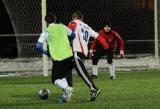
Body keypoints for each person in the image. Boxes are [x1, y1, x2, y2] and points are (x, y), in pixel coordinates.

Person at [68, 11, 109, 101]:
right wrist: (106, 47)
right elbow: (98, 37)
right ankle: (68, 89)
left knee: (82, 72)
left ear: (73, 17)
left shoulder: (73, 22)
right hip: (83, 52)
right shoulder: (87, 26)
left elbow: (70, 31)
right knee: (67, 69)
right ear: (82, 18)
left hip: (76, 51)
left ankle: (94, 89)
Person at [36, 13, 75, 102]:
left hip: (59, 59)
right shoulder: (63, 27)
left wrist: (45, 52)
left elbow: (38, 46)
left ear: (46, 22)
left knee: (55, 80)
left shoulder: (46, 32)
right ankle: (66, 97)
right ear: (55, 19)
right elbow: (73, 35)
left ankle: (68, 88)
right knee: (62, 77)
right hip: (70, 56)